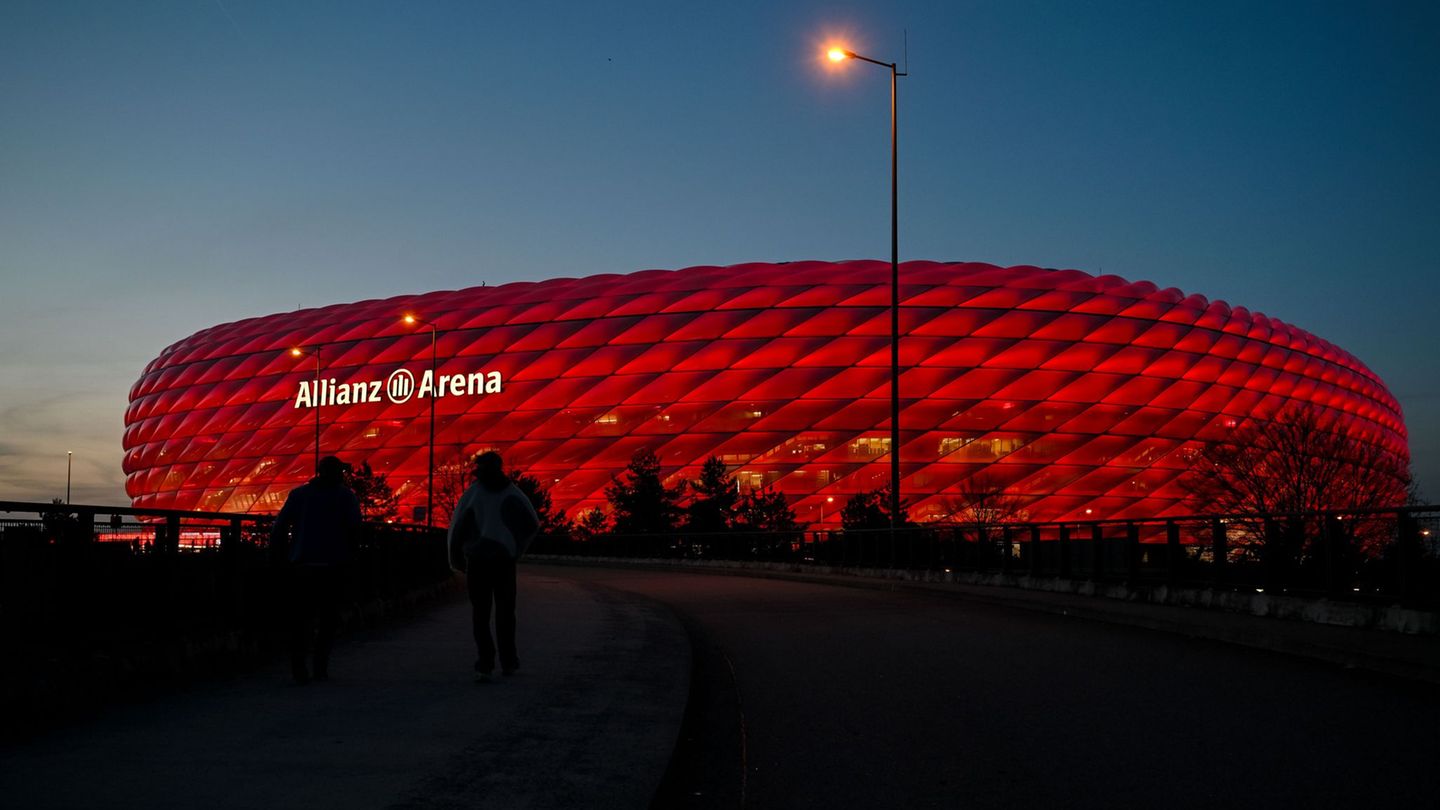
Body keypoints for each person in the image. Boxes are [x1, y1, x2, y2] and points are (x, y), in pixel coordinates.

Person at [448, 451, 540, 683]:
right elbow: (532, 523)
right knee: (506, 612)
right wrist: (516, 548)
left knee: (481, 613)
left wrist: (456, 558)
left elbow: (457, 528)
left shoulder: (473, 494)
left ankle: (485, 664)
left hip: (478, 561)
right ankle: (508, 661)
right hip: (504, 561)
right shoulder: (512, 493)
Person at [271, 455, 362, 684]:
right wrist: (352, 559)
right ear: (336, 473)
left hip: (302, 567)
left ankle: (299, 668)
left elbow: (279, 528)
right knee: (328, 621)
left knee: (300, 620)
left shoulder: (299, 495)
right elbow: (355, 531)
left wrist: (278, 558)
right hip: (333, 567)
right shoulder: (345, 497)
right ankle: (320, 668)